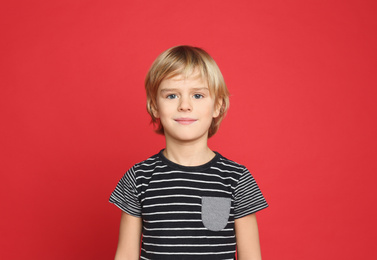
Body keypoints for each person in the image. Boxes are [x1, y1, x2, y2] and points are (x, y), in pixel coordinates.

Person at [109, 45, 268, 260]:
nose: (185, 105)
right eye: (172, 95)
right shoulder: (138, 178)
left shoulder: (236, 179)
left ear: (218, 106)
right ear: (155, 105)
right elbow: (126, 255)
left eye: (198, 95)